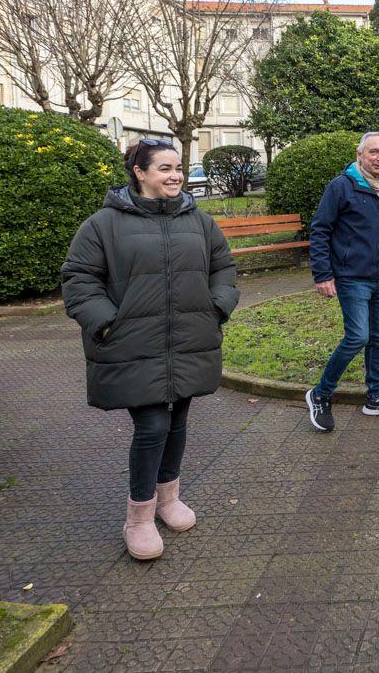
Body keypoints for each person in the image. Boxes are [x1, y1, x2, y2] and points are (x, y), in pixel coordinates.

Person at [61, 138, 239, 560]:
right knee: (153, 426)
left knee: (177, 422)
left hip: (188, 340)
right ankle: (138, 517)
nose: (175, 175)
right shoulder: (103, 225)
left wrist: (217, 307)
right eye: (164, 168)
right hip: (132, 345)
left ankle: (168, 499)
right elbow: (79, 279)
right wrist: (107, 324)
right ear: (140, 173)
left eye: (178, 167)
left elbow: (223, 268)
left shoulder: (199, 221)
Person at [304, 132, 379, 432]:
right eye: (373, 151)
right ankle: (320, 394)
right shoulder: (342, 186)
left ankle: (374, 398)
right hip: (351, 278)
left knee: (378, 336)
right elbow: (321, 230)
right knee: (358, 337)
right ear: (360, 154)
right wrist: (322, 274)